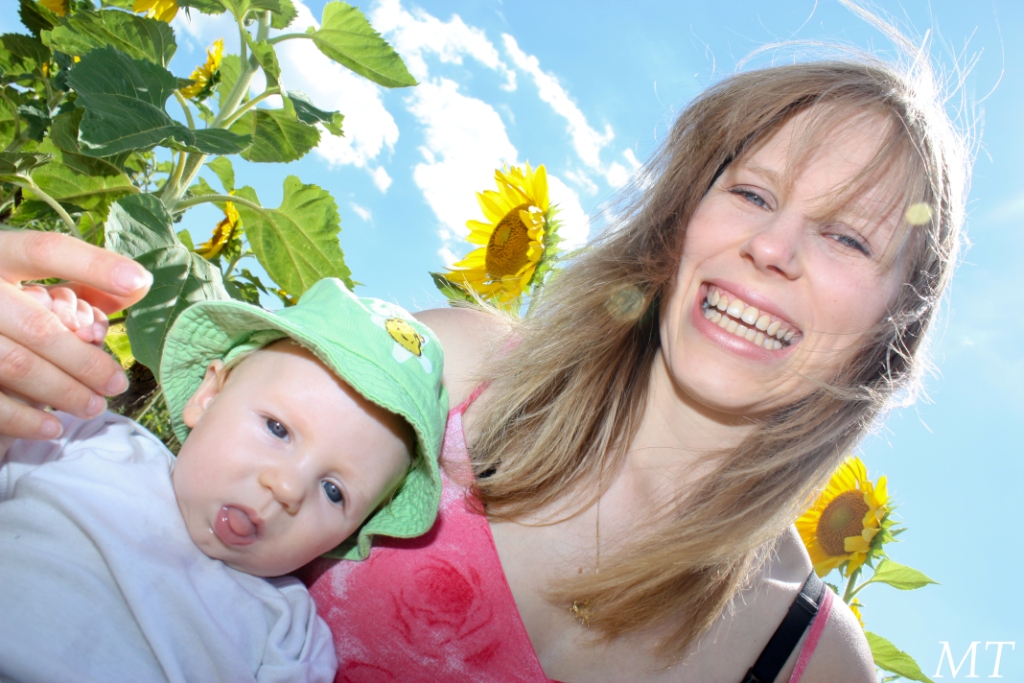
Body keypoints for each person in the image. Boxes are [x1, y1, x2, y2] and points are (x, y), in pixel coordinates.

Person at [0, 47, 967, 683]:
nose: (775, 248)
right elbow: (125, 523)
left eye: (847, 237)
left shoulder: (809, 662)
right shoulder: (447, 370)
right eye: (752, 191)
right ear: (683, 220)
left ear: (896, 325)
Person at [0, 278, 447, 682]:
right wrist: (23, 383)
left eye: (334, 492)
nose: (288, 489)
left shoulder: (290, 635)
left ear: (353, 531)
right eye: (277, 429)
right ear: (208, 396)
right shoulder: (90, 443)